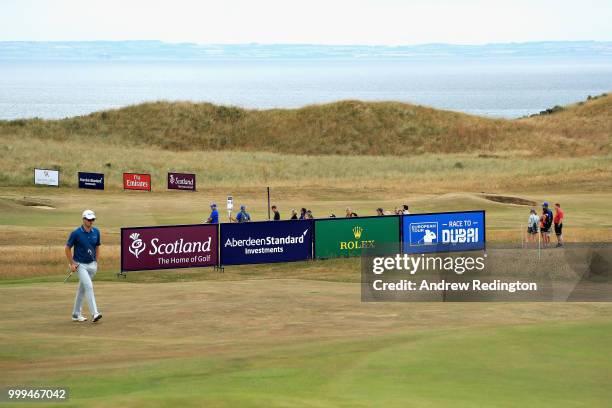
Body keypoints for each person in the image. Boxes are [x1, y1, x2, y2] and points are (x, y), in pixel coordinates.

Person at [65, 210, 102, 323]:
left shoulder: (96, 232)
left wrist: (96, 261)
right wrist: (72, 263)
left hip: (92, 265)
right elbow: (67, 248)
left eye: (92, 219)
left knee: (82, 290)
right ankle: (95, 313)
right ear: (83, 219)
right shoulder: (76, 233)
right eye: (88, 219)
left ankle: (76, 314)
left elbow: (97, 247)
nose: (91, 221)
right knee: (89, 286)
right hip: (80, 265)